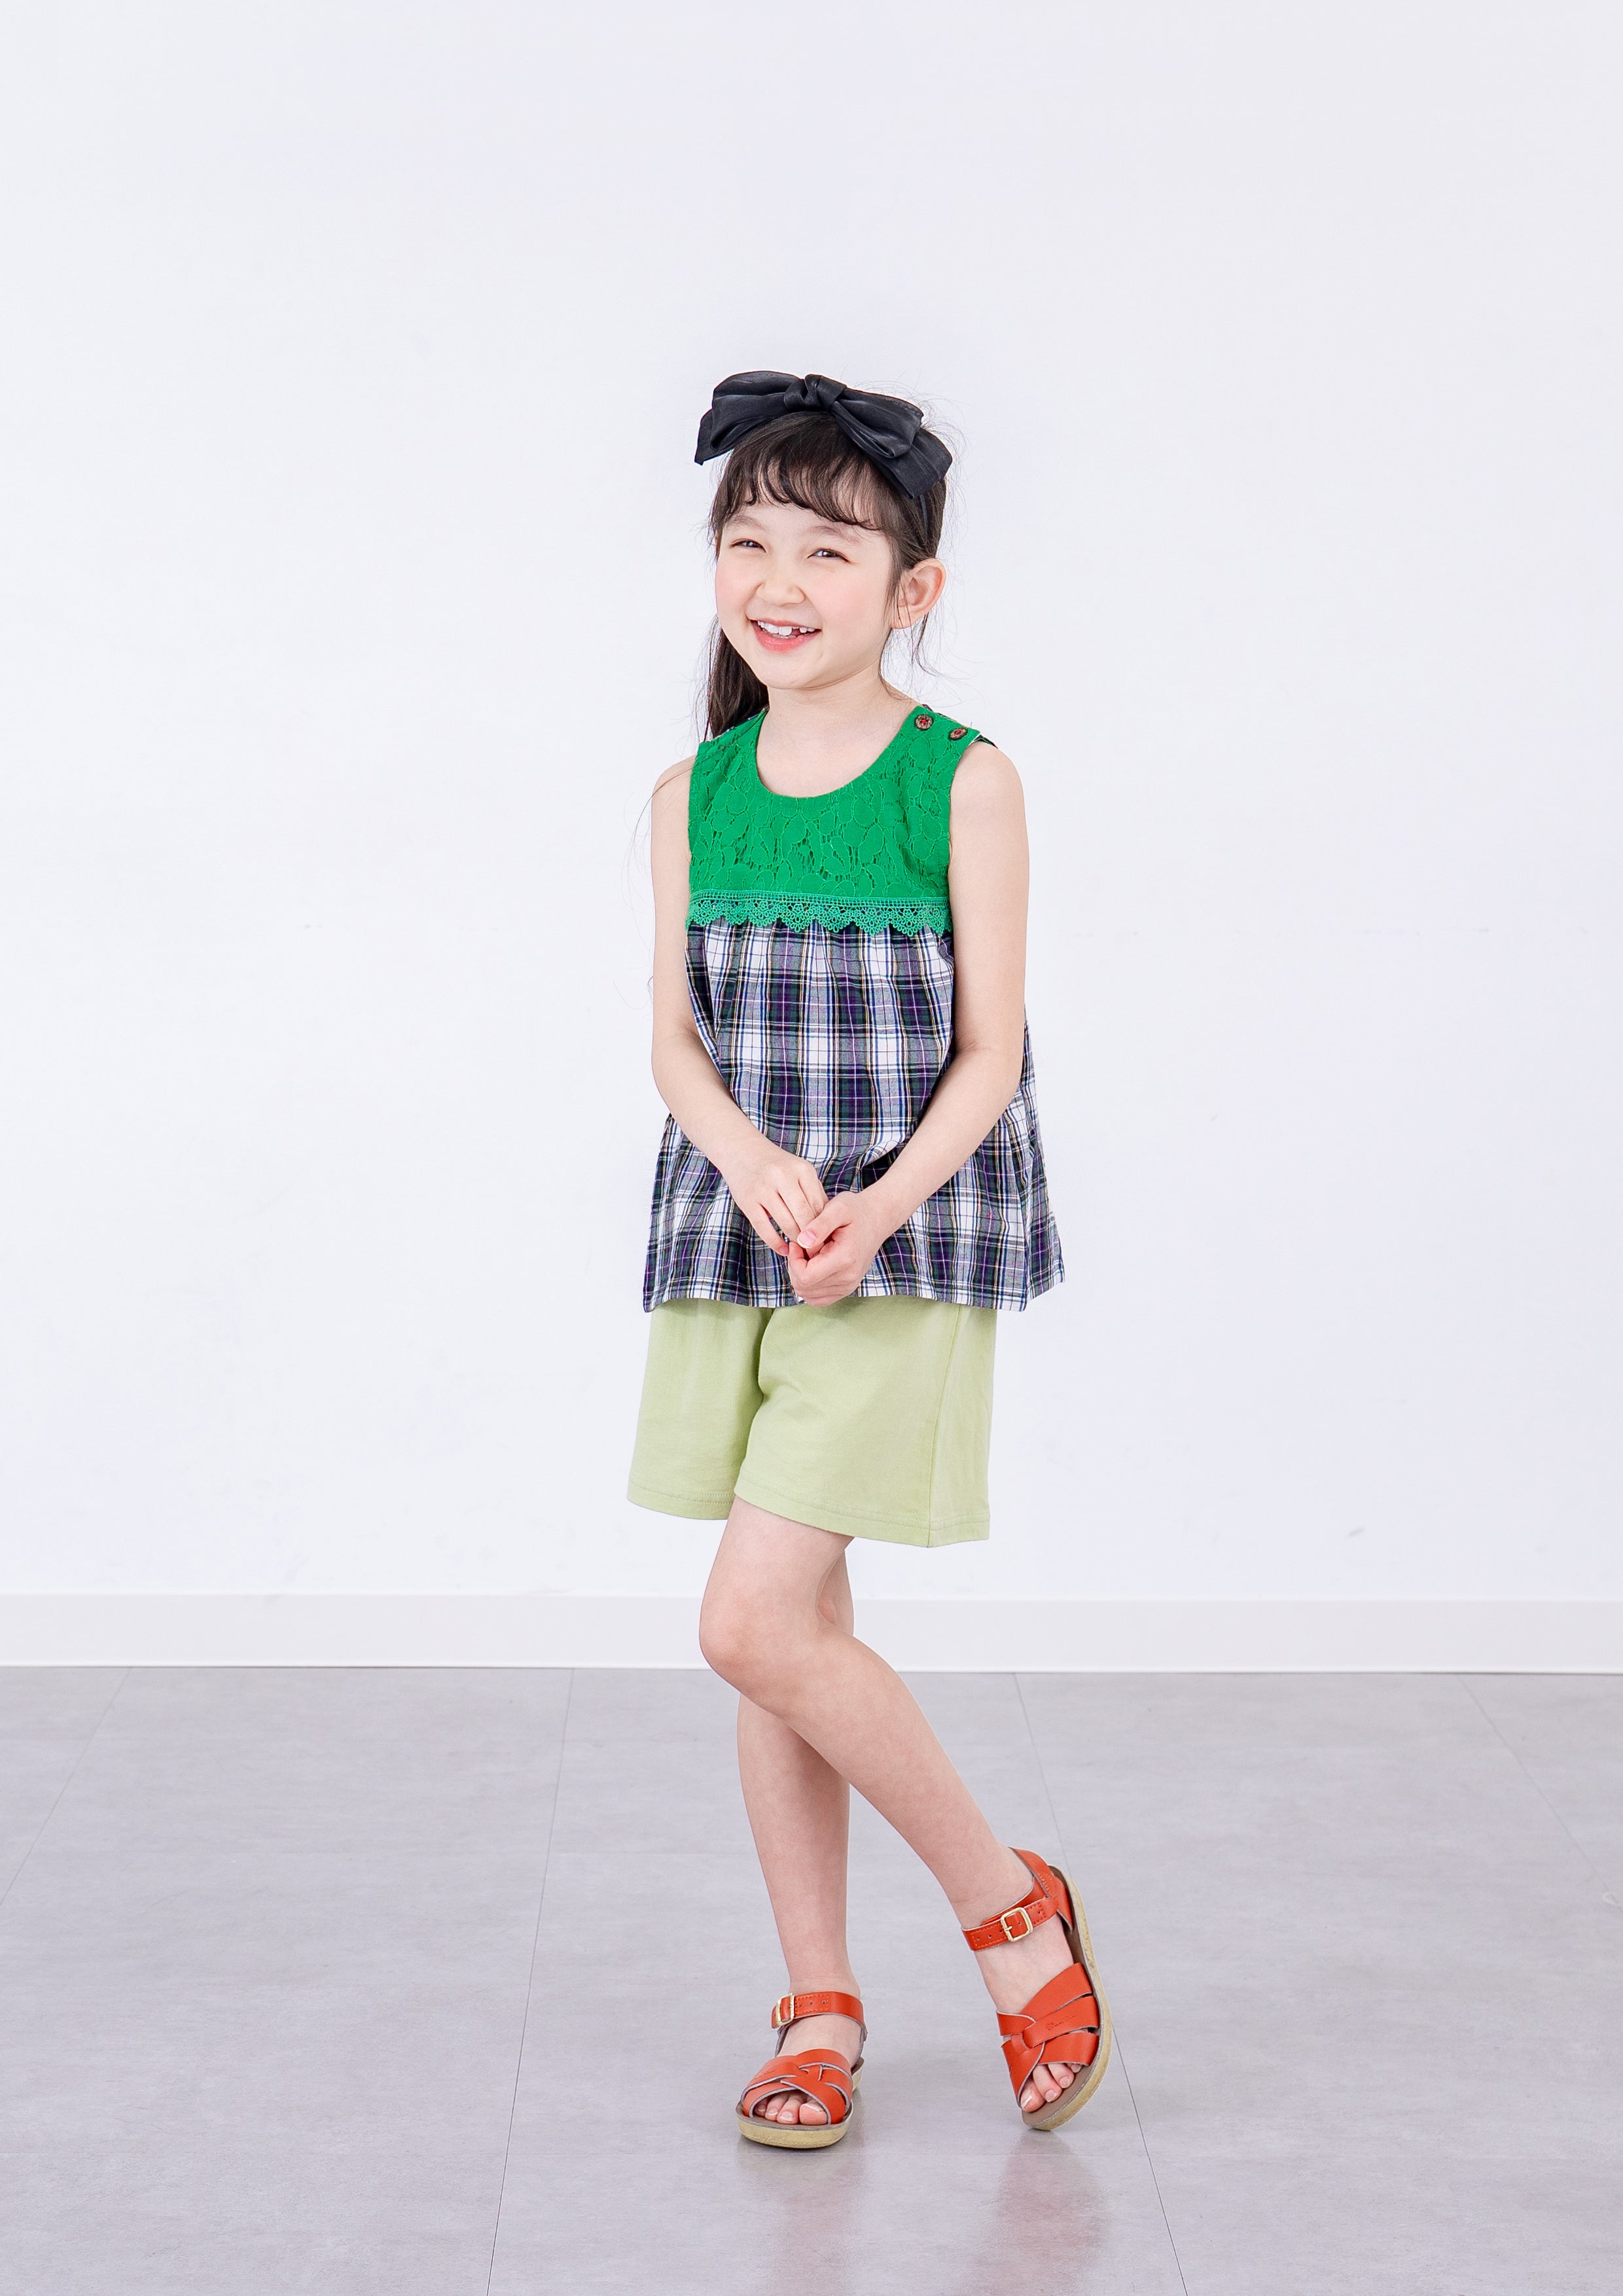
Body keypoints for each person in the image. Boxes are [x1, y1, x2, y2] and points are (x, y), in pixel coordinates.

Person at [628, 370, 1108, 2148]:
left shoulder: (959, 780)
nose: (781, 580)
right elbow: (675, 1043)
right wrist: (753, 1163)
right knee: (789, 1636)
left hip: (905, 1248)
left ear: (914, 588)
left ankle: (1010, 1911)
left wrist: (875, 1206)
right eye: (750, 540)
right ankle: (819, 2001)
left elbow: (991, 1052)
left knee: (748, 1619)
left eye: (829, 550)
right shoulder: (694, 788)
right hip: (734, 1239)